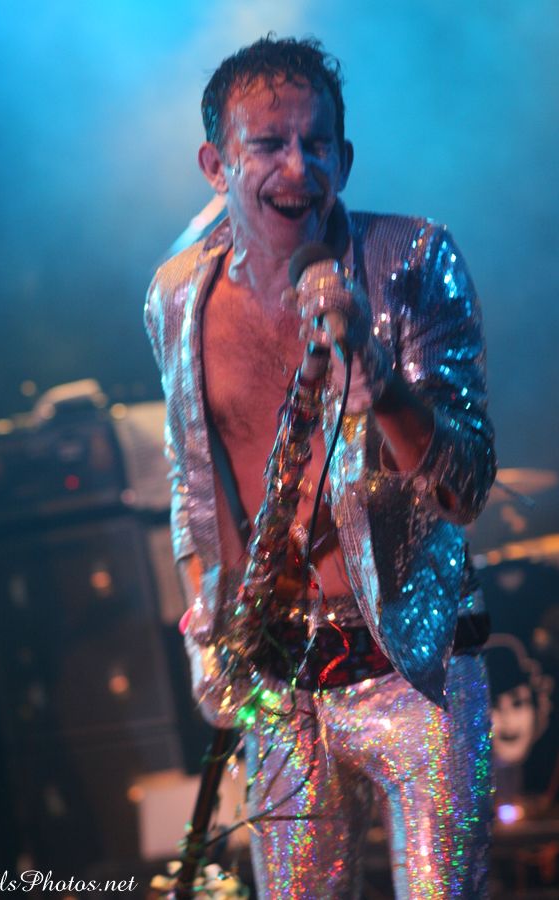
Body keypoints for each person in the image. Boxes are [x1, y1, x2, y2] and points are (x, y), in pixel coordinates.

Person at [146, 35, 496, 900]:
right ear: (216, 164)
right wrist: (205, 632)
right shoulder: (177, 298)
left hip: (416, 673)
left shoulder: (412, 260)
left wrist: (380, 383)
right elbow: (193, 481)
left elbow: (468, 486)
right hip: (278, 684)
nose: (297, 168)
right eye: (268, 144)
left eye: (317, 143)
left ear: (345, 158)